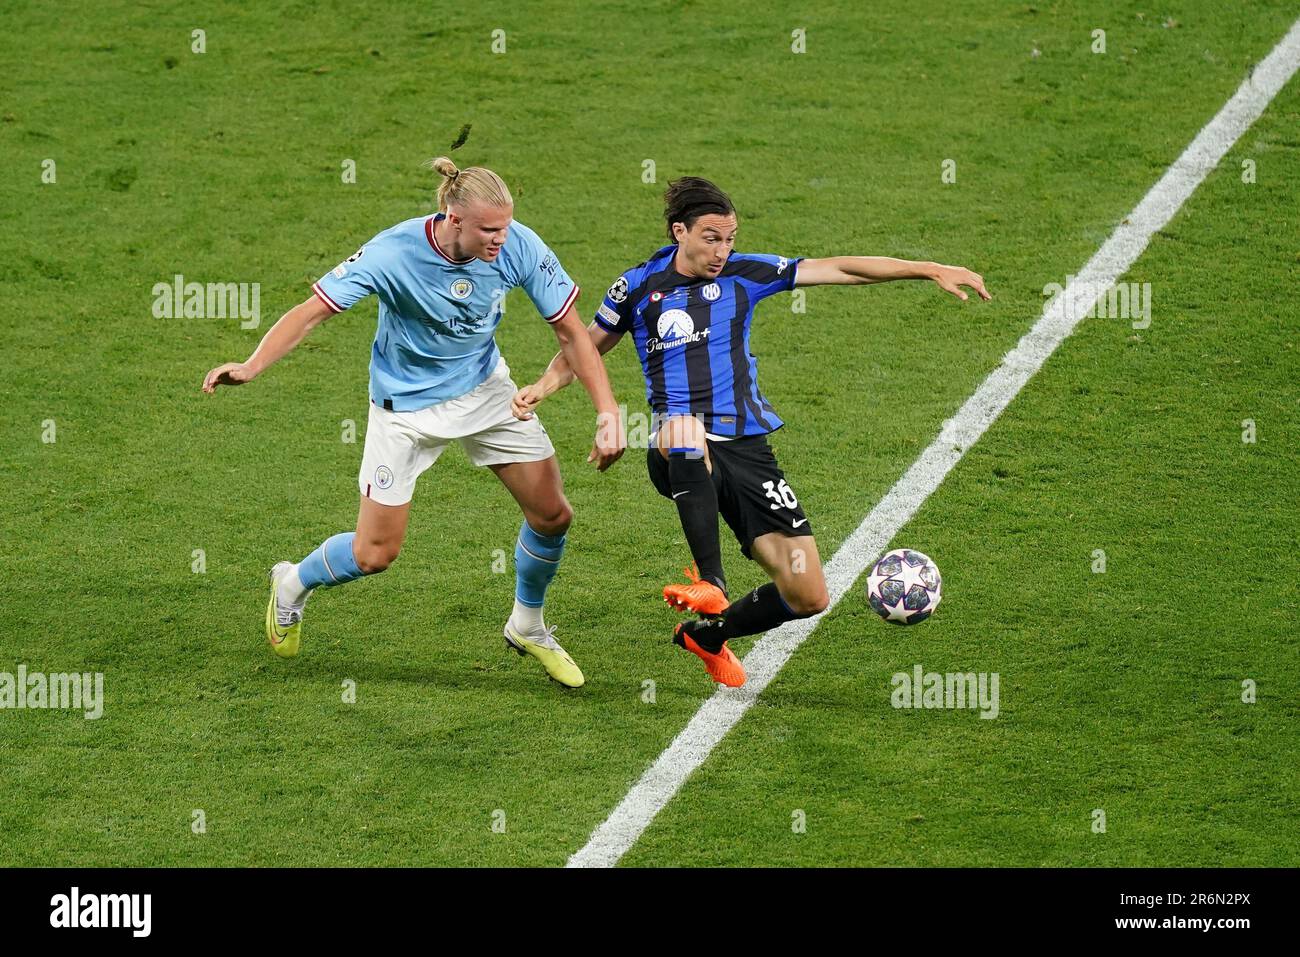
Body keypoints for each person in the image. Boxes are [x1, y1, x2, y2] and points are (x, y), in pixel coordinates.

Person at [511, 176, 988, 687]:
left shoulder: (746, 274)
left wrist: (929, 269)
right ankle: (709, 580)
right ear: (680, 232)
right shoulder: (638, 286)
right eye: (712, 237)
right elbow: (586, 346)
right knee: (685, 430)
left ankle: (709, 635)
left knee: (809, 594)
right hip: (678, 446)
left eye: (730, 238)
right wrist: (544, 384)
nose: (723, 250)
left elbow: (842, 269)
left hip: (748, 451)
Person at [201, 158, 625, 688]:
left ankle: (528, 624)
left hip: (485, 391)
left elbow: (570, 333)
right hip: (404, 412)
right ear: (452, 217)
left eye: (506, 226)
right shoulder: (393, 252)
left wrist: (607, 411)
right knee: (374, 554)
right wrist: (251, 364)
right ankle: (291, 583)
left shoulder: (518, 244)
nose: (501, 238)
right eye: (488, 230)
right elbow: (313, 311)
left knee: (553, 514)